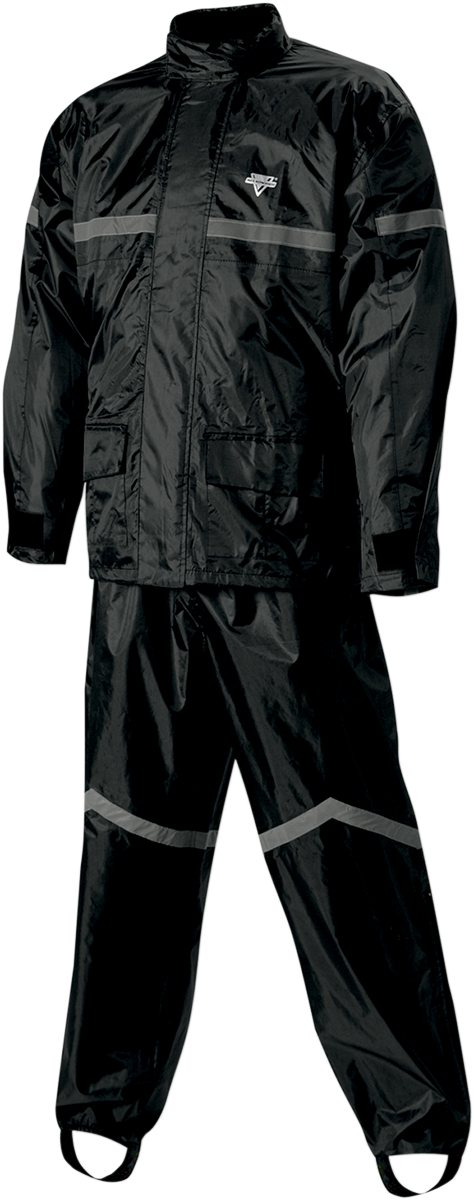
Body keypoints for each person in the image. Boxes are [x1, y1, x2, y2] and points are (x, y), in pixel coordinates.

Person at [3, 4, 470, 1193]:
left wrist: (390, 525)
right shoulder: (93, 125)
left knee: (341, 833)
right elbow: (48, 329)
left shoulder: (349, 108)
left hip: (289, 545)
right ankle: (106, 1091)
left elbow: (400, 323)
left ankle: (411, 1105)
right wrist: (38, 513)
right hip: (137, 553)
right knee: (132, 835)